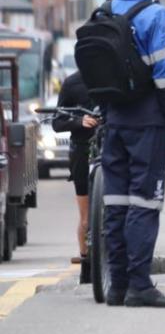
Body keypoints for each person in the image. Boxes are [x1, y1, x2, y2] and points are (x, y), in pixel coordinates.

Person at [101, 0, 165, 308]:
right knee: (144, 203)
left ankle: (117, 285)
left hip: (114, 122)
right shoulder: (155, 15)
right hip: (148, 124)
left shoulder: (105, 11)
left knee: (116, 203)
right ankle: (140, 285)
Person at [52, 71, 99, 283]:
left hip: (111, 150)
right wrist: (80, 121)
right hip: (82, 151)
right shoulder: (72, 83)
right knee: (86, 217)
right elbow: (57, 122)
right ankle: (85, 262)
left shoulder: (113, 75)